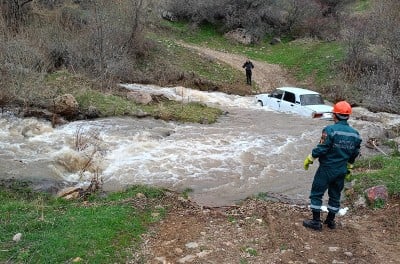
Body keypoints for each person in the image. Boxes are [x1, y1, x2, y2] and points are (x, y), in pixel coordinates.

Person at [303, 101, 362, 231]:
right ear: (348, 116)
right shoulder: (355, 134)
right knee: (335, 195)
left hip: (326, 169)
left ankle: (316, 222)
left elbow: (322, 148)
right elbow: (354, 153)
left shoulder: (329, 130)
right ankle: (330, 221)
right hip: (341, 170)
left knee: (316, 194)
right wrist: (349, 167)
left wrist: (310, 157)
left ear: (335, 115)